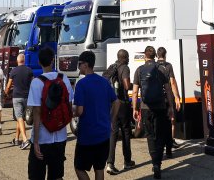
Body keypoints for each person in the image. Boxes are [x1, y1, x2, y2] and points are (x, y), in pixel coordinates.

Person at [73, 50, 121, 180]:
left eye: (79, 64)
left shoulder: (81, 84)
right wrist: (111, 119)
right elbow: (116, 102)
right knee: (99, 168)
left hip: (87, 135)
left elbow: (79, 111)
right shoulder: (104, 82)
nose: (78, 66)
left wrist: (72, 113)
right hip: (103, 133)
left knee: (79, 168)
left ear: (85, 65)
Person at [27, 46, 74, 180]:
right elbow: (69, 105)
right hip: (60, 136)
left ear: (39, 62)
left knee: (36, 176)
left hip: (42, 137)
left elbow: (37, 113)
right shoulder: (63, 78)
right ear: (53, 60)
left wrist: (36, 141)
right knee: (57, 175)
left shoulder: (36, 82)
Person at [132, 46, 175, 179]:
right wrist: (171, 106)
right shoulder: (161, 69)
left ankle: (154, 162)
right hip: (160, 107)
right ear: (155, 56)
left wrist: (135, 109)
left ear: (145, 56)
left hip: (146, 108)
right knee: (160, 134)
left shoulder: (139, 70)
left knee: (150, 135)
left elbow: (135, 92)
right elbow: (168, 89)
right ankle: (158, 163)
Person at [104, 49, 136, 175]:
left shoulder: (112, 67)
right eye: (127, 57)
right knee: (126, 131)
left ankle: (110, 163)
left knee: (113, 133)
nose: (128, 59)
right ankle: (127, 161)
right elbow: (127, 85)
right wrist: (135, 84)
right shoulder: (125, 68)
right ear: (125, 57)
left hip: (112, 103)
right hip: (122, 104)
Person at [155, 47, 182, 157]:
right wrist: (177, 97)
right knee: (171, 120)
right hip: (168, 97)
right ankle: (170, 142)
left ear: (157, 55)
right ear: (165, 55)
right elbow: (172, 82)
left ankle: (159, 146)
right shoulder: (168, 66)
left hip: (158, 98)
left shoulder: (154, 66)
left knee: (159, 123)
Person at [6, 52, 34, 149]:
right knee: (20, 118)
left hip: (17, 97)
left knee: (19, 117)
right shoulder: (29, 70)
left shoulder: (13, 71)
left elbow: (9, 85)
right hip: (27, 97)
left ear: (17, 61)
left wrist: (6, 93)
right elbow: (33, 83)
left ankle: (25, 140)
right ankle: (17, 139)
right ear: (24, 60)